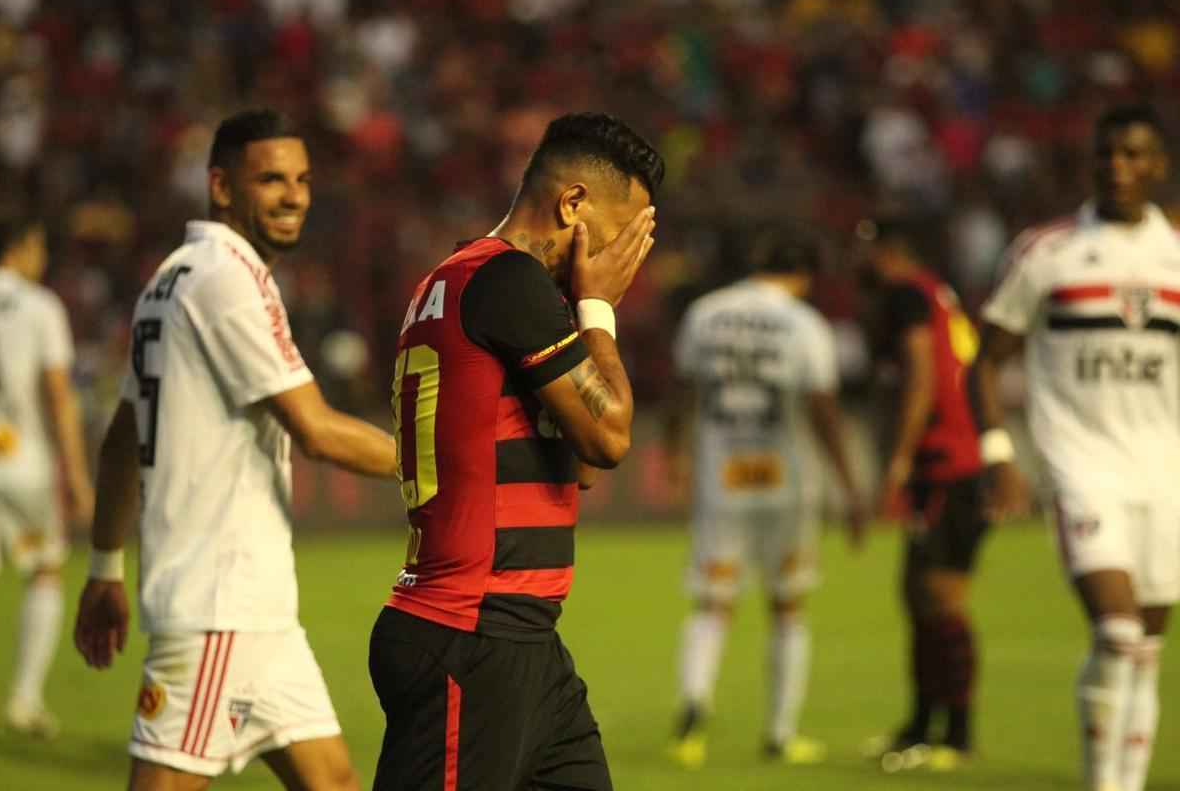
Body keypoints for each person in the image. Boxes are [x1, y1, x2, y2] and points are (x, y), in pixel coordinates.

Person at [72, 109, 397, 790]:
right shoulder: (227, 280)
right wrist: (446, 460)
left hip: (260, 615)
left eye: (303, 179)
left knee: (335, 781)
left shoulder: (169, 278)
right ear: (220, 186)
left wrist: (105, 566)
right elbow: (314, 428)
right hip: (218, 606)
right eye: (272, 179)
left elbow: (121, 440)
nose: (294, 195)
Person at [369, 112, 662, 791]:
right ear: (572, 204)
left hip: (522, 641)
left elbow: (580, 466)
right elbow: (610, 436)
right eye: (622, 236)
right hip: (471, 634)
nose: (624, 261)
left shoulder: (459, 276)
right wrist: (599, 309)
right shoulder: (510, 283)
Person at [974, 103, 1178, 791]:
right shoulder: (1049, 251)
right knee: (1117, 633)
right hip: (1083, 462)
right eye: (1107, 154)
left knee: (1146, 648)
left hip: (1165, 471)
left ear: (1159, 166)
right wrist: (1000, 452)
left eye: (1134, 155)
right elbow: (986, 358)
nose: (1118, 167)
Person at [664, 227, 865, 768]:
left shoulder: (704, 314)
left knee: (712, 601)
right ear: (802, 276)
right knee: (787, 607)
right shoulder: (805, 325)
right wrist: (849, 487)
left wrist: (675, 451)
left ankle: (694, 707)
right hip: (787, 482)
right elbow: (822, 409)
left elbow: (682, 389)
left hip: (722, 475)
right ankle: (779, 734)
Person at [858, 217, 990, 771]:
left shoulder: (908, 296)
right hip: (956, 463)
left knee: (938, 598)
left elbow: (921, 375)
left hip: (945, 466)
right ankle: (922, 725)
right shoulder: (937, 292)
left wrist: (900, 457)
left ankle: (953, 734)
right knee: (919, 596)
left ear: (888, 250)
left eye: (864, 250)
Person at [0, 208, 93, 743]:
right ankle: (24, 700)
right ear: (20, 246)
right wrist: (74, 472)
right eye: (38, 247)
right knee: (45, 570)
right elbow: (57, 393)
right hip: (24, 467)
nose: (41, 259)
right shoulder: (39, 306)